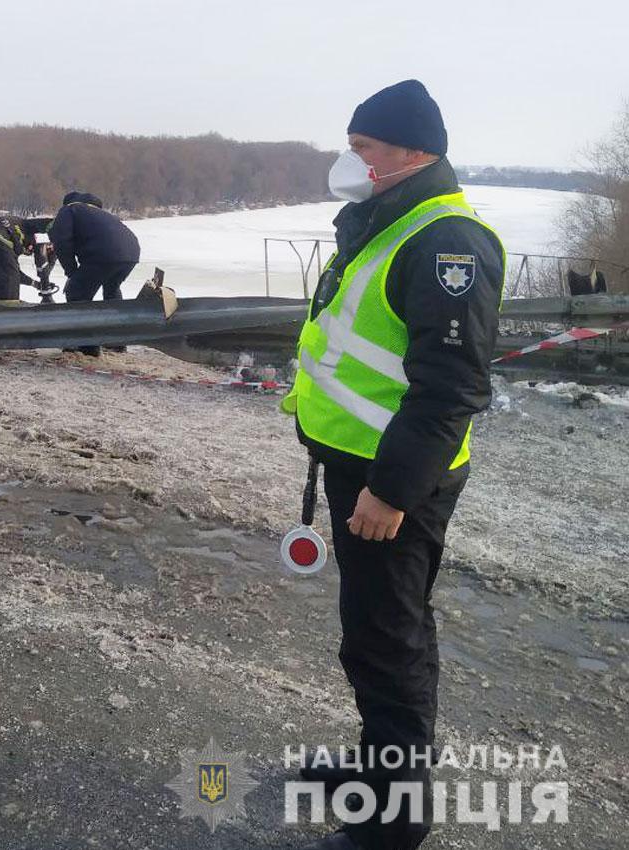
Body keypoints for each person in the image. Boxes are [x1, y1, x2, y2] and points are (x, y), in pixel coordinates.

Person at [280, 80, 506, 850]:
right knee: (373, 632)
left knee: (389, 641)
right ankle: (377, 775)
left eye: (362, 149)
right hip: (362, 467)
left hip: (394, 480)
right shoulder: (389, 219)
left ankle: (393, 821)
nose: (351, 162)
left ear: (413, 153)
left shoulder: (446, 241)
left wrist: (390, 490)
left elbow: (452, 389)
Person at [47, 191, 140, 355]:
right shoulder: (101, 214)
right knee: (111, 289)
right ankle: (117, 342)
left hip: (103, 253)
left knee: (77, 294)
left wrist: (71, 271)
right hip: (131, 252)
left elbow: (62, 242)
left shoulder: (69, 210)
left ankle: (87, 346)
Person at [0, 213, 55, 301]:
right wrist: (57, 224)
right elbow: (42, 223)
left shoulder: (12, 243)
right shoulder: (26, 225)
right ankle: (10, 307)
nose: (28, 249)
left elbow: (16, 273)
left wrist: (35, 284)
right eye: (29, 248)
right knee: (11, 279)